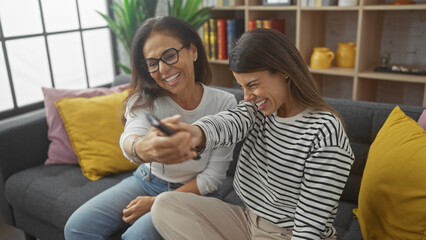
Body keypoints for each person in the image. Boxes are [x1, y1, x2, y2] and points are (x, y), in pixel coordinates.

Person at [151, 28, 355, 240]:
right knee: (165, 205)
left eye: (253, 85)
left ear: (283, 71)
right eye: (241, 86)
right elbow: (229, 122)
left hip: (288, 234)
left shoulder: (325, 131)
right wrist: (195, 133)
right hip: (247, 220)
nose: (247, 97)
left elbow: (309, 226)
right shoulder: (257, 110)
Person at [64, 16, 237, 240]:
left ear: (193, 51)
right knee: (76, 228)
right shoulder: (144, 100)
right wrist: (142, 148)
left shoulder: (225, 104)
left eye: (169, 55)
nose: (163, 69)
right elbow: (129, 139)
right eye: (153, 62)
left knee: (137, 237)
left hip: (196, 192)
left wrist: (156, 203)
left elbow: (212, 177)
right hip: (146, 181)